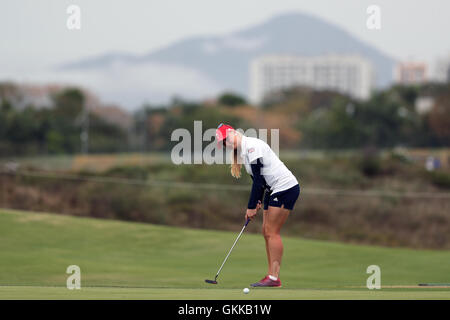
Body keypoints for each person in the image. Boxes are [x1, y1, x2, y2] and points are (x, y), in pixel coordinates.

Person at [215, 123, 300, 287]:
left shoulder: (252, 146)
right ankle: (271, 275)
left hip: (285, 187)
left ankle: (274, 278)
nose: (227, 143)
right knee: (265, 231)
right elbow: (258, 181)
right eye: (224, 142)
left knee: (272, 231)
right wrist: (257, 201)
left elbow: (259, 181)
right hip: (272, 189)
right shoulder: (243, 154)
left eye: (227, 139)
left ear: (234, 132)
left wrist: (251, 206)